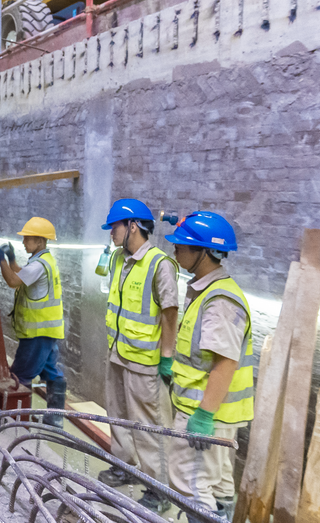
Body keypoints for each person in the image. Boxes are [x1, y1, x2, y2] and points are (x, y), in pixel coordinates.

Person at [165, 212, 253, 521]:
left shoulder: (219, 301)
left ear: (205, 251)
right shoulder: (207, 291)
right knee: (218, 486)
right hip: (217, 414)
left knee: (190, 485)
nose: (175, 250)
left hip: (206, 415)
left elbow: (225, 363)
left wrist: (203, 416)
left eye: (182, 245)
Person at [97, 198, 180, 513]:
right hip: (118, 353)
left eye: (114, 227)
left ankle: (159, 489)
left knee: (149, 426)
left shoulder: (160, 265)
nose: (111, 234)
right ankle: (123, 466)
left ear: (133, 226)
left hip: (145, 362)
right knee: (117, 414)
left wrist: (167, 357)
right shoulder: (120, 259)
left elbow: (170, 314)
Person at [0, 217, 66, 428]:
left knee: (21, 375)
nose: (24, 242)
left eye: (28, 239)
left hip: (37, 333)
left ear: (40, 241)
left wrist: (0, 259)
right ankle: (55, 419)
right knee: (52, 372)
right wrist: (11, 260)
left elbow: (12, 281)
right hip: (48, 330)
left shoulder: (38, 265)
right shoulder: (45, 261)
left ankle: (17, 422)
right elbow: (21, 274)